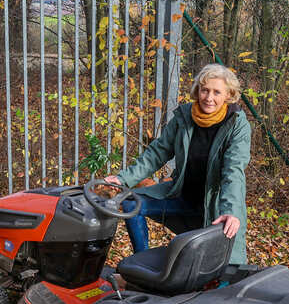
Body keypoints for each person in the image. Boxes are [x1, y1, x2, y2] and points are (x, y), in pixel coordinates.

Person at [104, 63, 251, 264]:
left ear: (228, 95)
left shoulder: (237, 124)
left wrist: (230, 211)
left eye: (217, 92)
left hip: (216, 206)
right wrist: (122, 179)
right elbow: (157, 153)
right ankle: (140, 265)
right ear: (197, 90)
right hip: (182, 197)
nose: (209, 97)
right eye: (205, 90)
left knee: (220, 270)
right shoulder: (185, 116)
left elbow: (233, 171)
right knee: (132, 204)